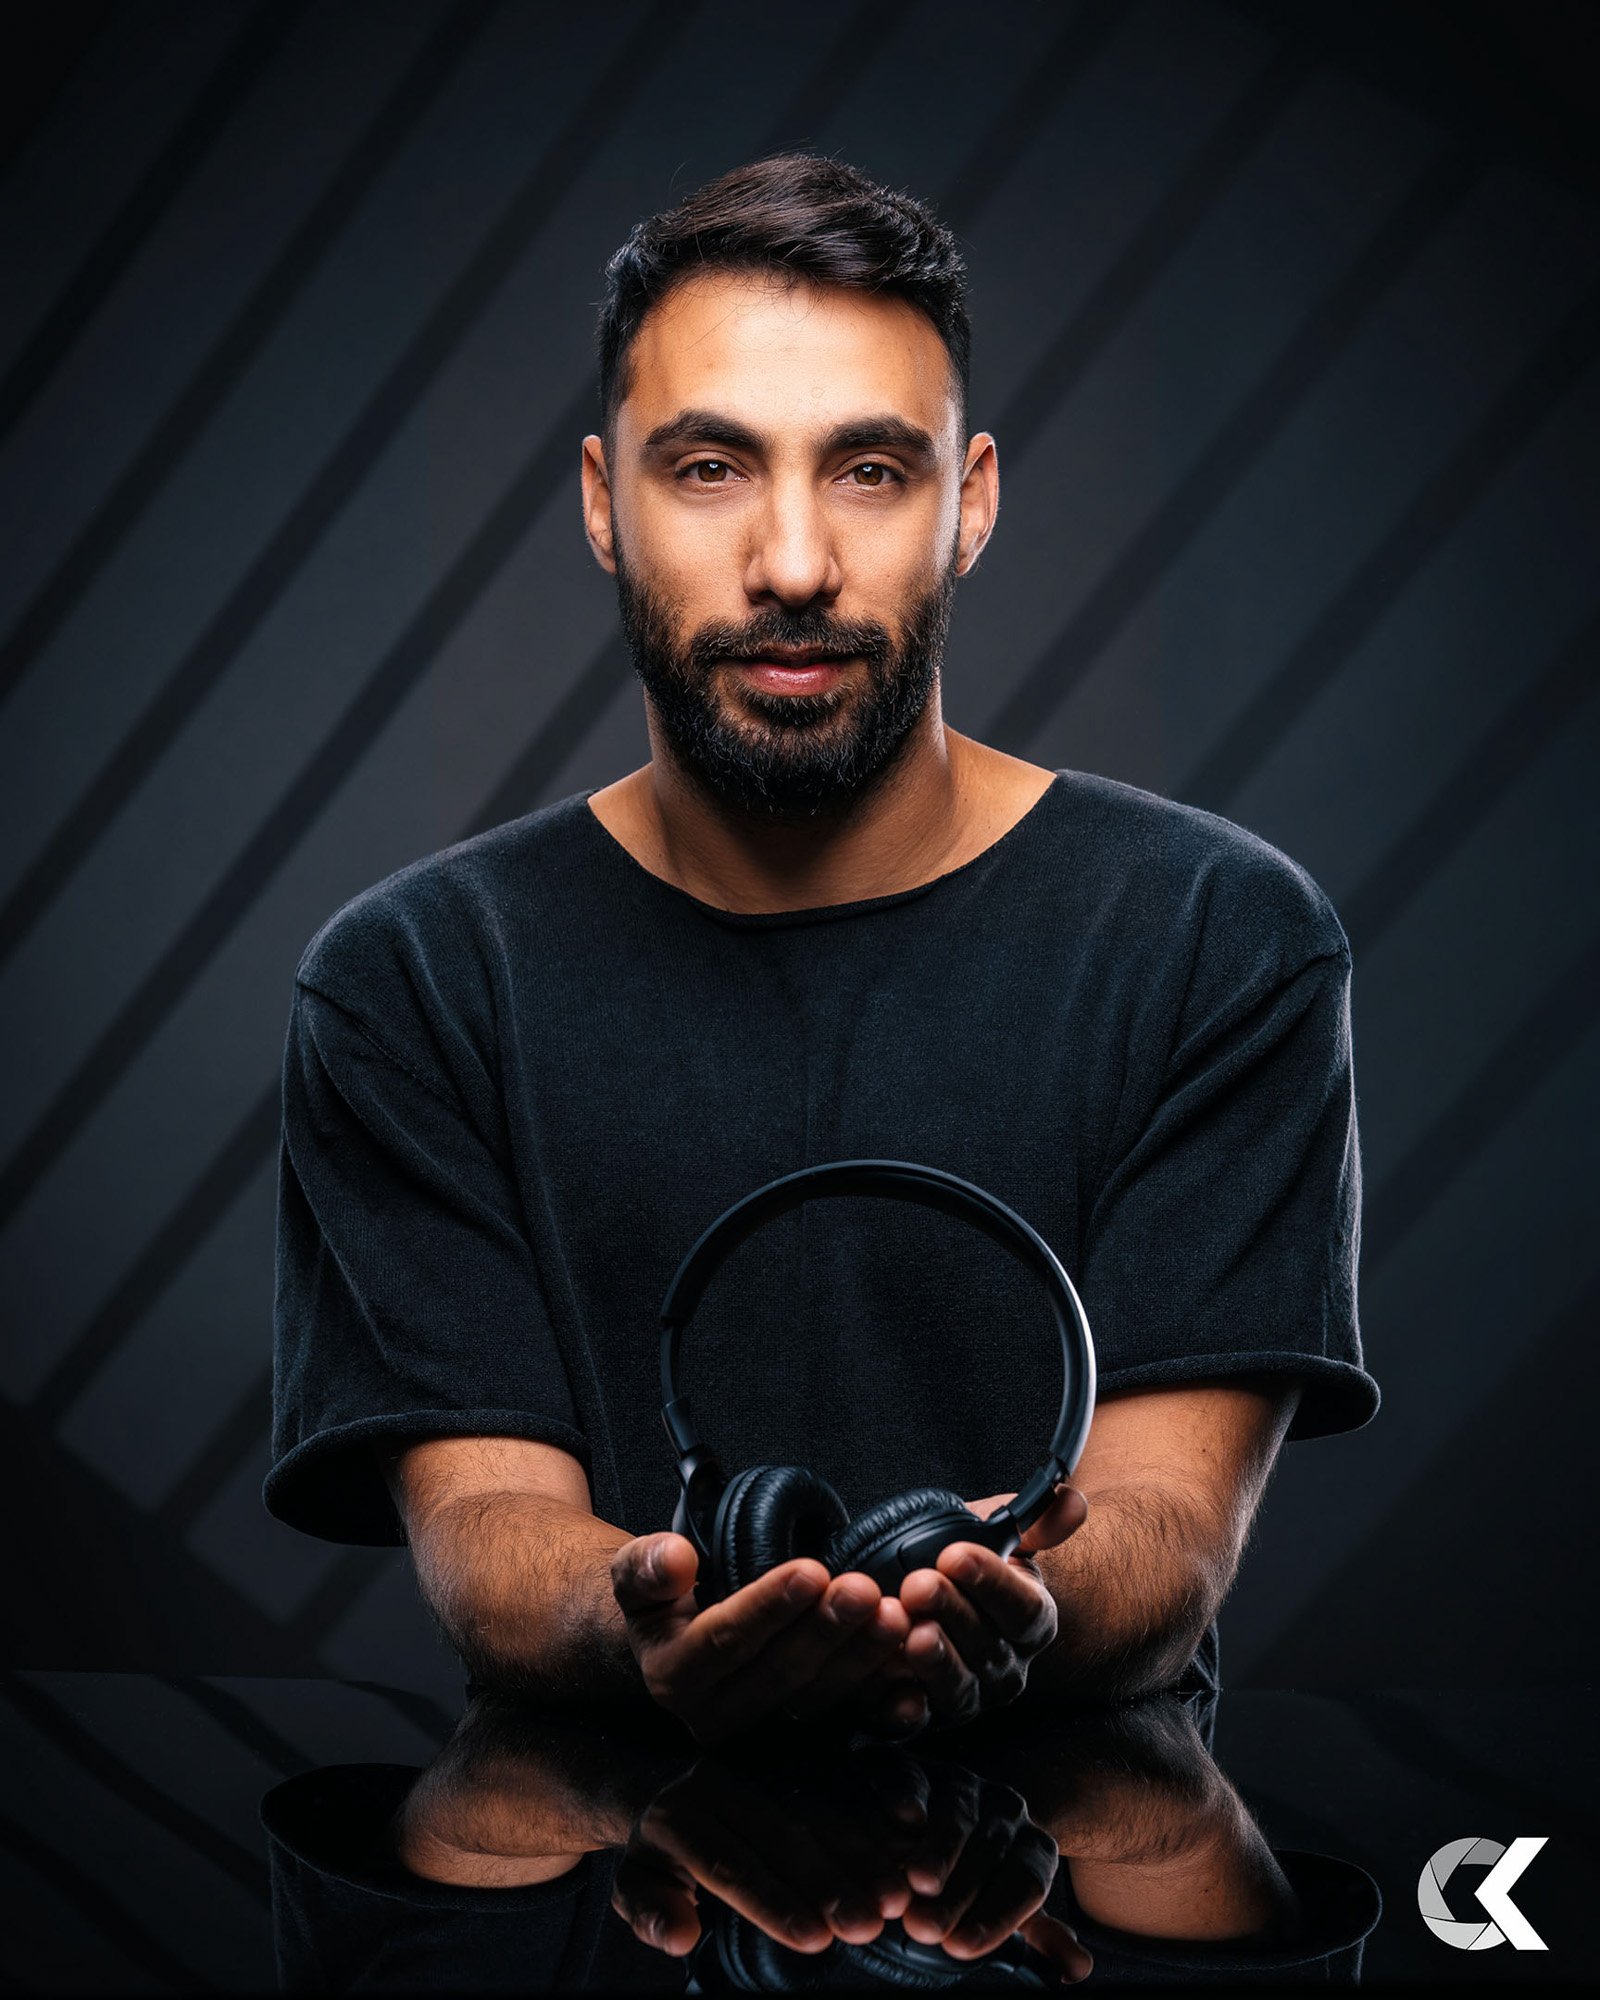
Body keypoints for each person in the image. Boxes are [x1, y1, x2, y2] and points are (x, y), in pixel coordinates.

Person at [266, 154, 1378, 1742]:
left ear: (970, 502)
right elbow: (484, 1531)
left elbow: (1169, 1531)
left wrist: (1008, 1606)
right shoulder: (413, 982)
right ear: (602, 503)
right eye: (710, 467)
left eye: (869, 469)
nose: (794, 565)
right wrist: (637, 1611)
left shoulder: (1220, 939)